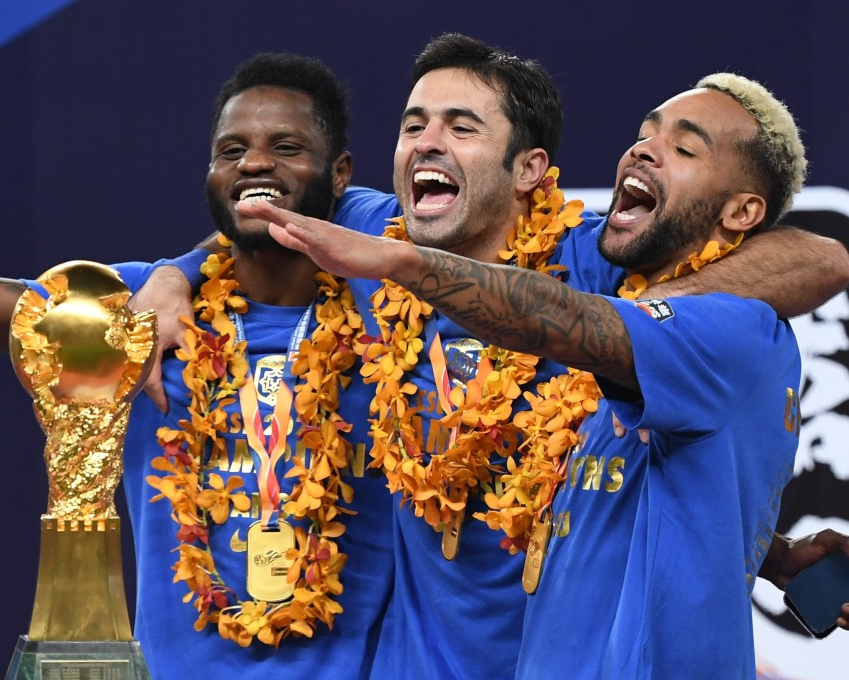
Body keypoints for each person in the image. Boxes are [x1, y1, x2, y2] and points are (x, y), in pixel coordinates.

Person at [144, 34, 849, 679]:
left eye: (462, 128)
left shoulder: (593, 268)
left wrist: (654, 309)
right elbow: (268, 210)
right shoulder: (379, 233)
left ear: (530, 169)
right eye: (413, 126)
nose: (427, 143)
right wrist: (176, 273)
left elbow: (818, 257)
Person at [0, 54, 393, 679]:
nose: (253, 163)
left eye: (285, 147)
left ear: (340, 172)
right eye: (230, 150)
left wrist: (181, 266)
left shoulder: (390, 319)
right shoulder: (133, 313)